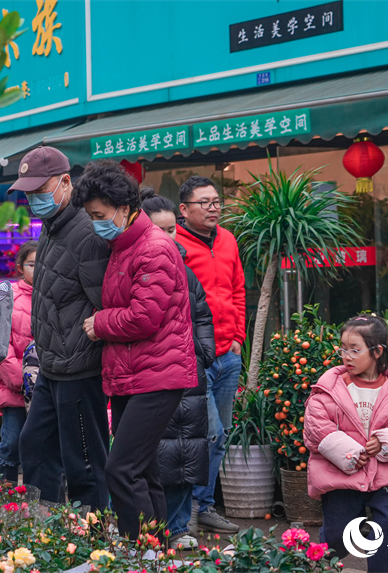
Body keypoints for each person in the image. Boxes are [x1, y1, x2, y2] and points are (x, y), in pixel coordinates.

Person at [75, 161, 197, 541]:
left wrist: (100, 323)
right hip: (135, 373)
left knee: (121, 469)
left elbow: (145, 317)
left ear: (124, 209)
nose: (96, 222)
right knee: (143, 472)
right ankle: (155, 554)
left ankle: (139, 553)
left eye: (99, 215)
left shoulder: (153, 248)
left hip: (159, 374)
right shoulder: (122, 245)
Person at [14, 146, 112, 512]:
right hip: (52, 367)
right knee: (34, 447)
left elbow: (104, 299)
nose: (34, 200)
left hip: (79, 368)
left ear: (66, 182)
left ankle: (94, 543)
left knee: (84, 464)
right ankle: (48, 532)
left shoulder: (86, 232)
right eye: (28, 193)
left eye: (40, 191)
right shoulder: (53, 227)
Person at [304, 314, 388, 573]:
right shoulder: (329, 388)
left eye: (355, 350)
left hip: (385, 474)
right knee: (338, 534)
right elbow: (316, 426)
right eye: (343, 349)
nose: (346, 356)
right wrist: (349, 453)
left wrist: (385, 443)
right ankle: (321, 561)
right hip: (341, 475)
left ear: (378, 351)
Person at [141, 188, 215, 550]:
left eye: (172, 230)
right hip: (154, 375)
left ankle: (182, 526)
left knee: (190, 454)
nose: (168, 237)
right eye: (159, 230)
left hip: (190, 373)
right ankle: (157, 529)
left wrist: (203, 353)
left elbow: (202, 315)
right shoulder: (137, 266)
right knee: (159, 455)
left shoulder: (186, 272)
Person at [176, 176, 246, 533]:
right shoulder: (174, 244)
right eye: (205, 202)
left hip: (228, 354)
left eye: (217, 201)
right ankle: (185, 508)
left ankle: (204, 505)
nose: (214, 207)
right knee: (207, 433)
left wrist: (238, 337)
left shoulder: (229, 240)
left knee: (221, 433)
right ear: (184, 210)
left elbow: (237, 289)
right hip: (193, 356)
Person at [0, 240, 37, 482]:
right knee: (11, 444)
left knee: (40, 448)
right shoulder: (8, 296)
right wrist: (21, 380)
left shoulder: (56, 295)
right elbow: (1, 343)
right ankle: (1, 497)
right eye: (32, 264)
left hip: (44, 389)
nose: (38, 269)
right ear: (20, 267)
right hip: (15, 389)